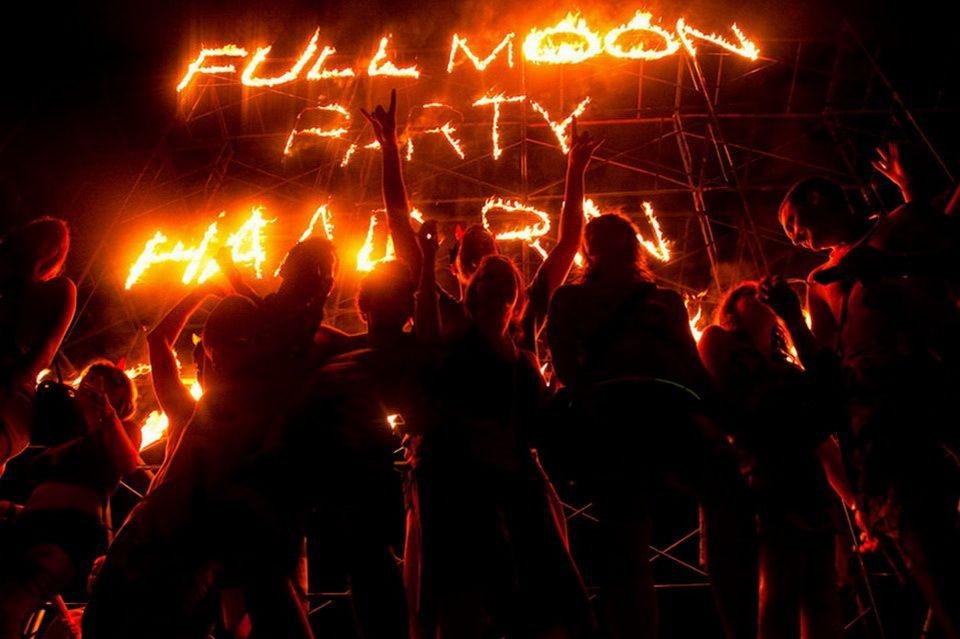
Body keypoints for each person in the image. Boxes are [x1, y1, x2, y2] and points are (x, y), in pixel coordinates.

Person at [84, 237, 352, 639]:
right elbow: (165, 339)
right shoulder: (200, 406)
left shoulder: (296, 357)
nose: (214, 357)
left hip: (206, 523)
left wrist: (230, 284)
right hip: (180, 517)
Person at [546, 214, 757, 639]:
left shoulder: (641, 300)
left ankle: (734, 622)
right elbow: (690, 369)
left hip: (630, 420)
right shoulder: (630, 301)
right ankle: (738, 623)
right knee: (637, 540)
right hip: (642, 418)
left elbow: (568, 368)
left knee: (628, 546)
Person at [778, 145, 960, 637]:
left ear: (818, 200)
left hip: (935, 383)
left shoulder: (895, 228)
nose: (795, 239)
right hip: (877, 411)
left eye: (794, 224)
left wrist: (910, 195)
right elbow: (825, 360)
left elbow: (947, 254)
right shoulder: (819, 280)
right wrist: (791, 317)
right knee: (916, 533)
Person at [406, 254, 593, 638]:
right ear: (474, 292)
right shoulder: (454, 343)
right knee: (468, 597)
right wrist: (426, 257)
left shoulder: (525, 360)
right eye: (489, 277)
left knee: (546, 596)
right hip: (462, 486)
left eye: (506, 280)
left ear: (518, 298)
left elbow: (539, 427)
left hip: (517, 484)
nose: (498, 284)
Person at [362, 89, 600, 350]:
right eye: (474, 251)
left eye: (487, 251)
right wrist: (389, 148)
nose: (483, 260)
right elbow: (398, 224)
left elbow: (568, 243)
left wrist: (576, 170)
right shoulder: (439, 308)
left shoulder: (524, 311)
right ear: (454, 267)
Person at [699, 280, 855, 639]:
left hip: (808, 489)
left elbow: (824, 433)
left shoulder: (790, 368)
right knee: (779, 592)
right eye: (747, 293)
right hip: (762, 485)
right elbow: (731, 408)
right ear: (731, 309)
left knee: (821, 597)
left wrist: (854, 502)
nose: (758, 294)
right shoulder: (718, 340)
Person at [0, 362, 140, 638]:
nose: (89, 384)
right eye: (89, 378)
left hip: (68, 531)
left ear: (120, 397)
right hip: (29, 525)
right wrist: (14, 510)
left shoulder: (123, 429)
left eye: (100, 381)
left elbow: (129, 463)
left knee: (10, 605)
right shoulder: (67, 431)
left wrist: (107, 413)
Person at [0, 217, 76, 474]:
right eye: (39, 238)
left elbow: (46, 352)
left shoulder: (59, 289)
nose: (41, 246)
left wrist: (9, 387)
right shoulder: (7, 282)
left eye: (50, 243)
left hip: (11, 397)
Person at [145, 283, 223, 465]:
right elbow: (157, 340)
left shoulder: (187, 413)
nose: (199, 374)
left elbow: (157, 339)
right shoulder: (256, 419)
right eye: (199, 367)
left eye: (203, 365)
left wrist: (201, 293)